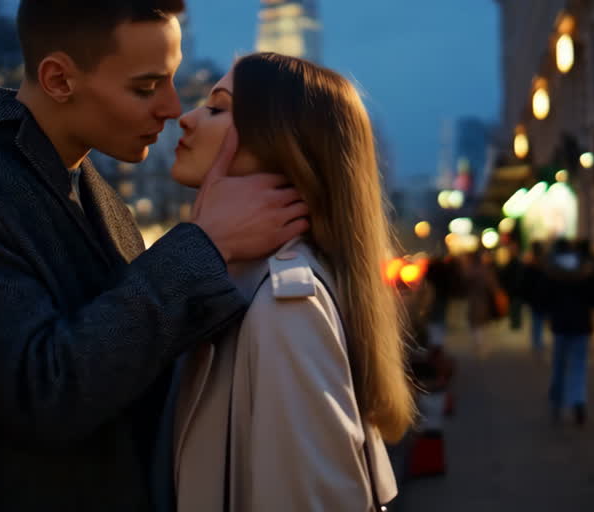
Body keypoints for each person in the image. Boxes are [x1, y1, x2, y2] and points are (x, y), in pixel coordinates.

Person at [0, 0, 308, 511]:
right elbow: (45, 393)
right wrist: (207, 245)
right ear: (58, 79)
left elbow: (132, 361)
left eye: (171, 81)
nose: (173, 109)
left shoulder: (85, 184)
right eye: (146, 87)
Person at [167, 52, 411, 511]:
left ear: (277, 143)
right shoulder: (244, 280)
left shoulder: (286, 305)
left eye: (217, 109)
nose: (184, 118)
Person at [540, 237, 594, 425]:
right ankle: (578, 400)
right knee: (579, 365)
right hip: (581, 323)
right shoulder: (585, 269)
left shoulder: (552, 270)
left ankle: (557, 401)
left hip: (560, 323)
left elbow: (543, 296)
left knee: (559, 365)